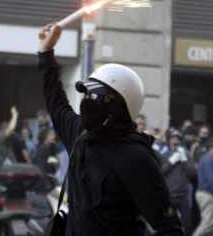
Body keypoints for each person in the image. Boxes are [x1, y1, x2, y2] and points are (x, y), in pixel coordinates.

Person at [37, 23, 183, 235]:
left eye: (96, 96)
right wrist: (45, 52)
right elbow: (56, 102)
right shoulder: (80, 135)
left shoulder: (136, 157)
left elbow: (169, 227)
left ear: (121, 106)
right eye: (86, 94)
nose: (88, 101)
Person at [161, 130, 196, 236]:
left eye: (177, 139)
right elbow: (160, 172)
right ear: (169, 141)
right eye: (173, 139)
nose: (175, 141)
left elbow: (192, 173)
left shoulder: (185, 155)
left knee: (187, 224)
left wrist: (184, 158)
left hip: (183, 195)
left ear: (180, 141)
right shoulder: (164, 155)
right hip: (169, 195)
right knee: (168, 224)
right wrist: (171, 161)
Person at [193, 138, 213, 236]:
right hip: (206, 194)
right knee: (208, 224)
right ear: (212, 148)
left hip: (207, 194)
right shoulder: (209, 160)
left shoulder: (208, 159)